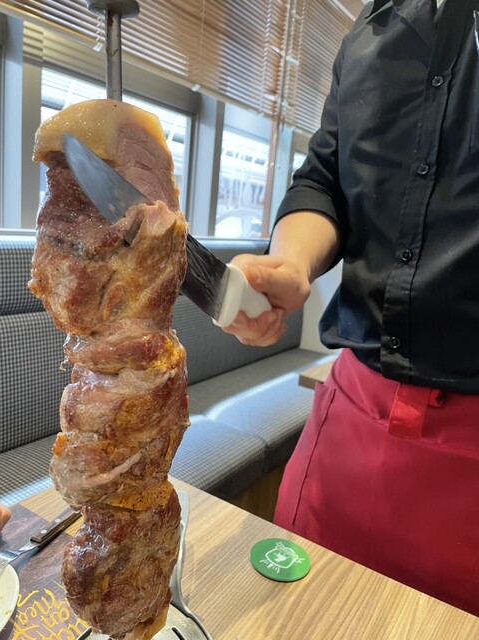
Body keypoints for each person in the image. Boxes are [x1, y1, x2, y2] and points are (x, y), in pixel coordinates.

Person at [222, 0, 479, 617]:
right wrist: (291, 263)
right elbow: (324, 179)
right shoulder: (371, 26)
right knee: (289, 618)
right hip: (348, 421)